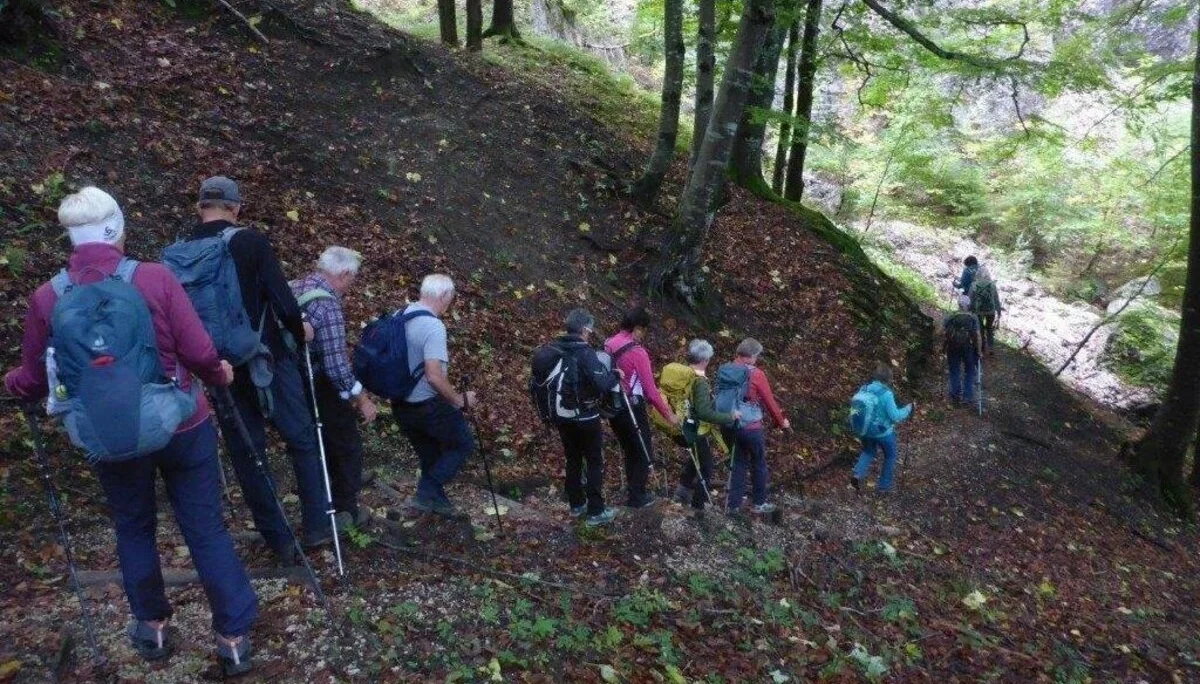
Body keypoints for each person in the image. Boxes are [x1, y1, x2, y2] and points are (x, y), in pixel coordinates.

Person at [4, 187, 257, 675]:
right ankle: (232, 636)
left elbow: (33, 380)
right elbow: (200, 351)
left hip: (109, 431)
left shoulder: (48, 296)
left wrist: (12, 384)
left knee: (133, 526)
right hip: (183, 423)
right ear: (117, 228)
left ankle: (153, 627)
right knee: (204, 526)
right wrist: (220, 373)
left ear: (71, 240)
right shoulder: (155, 278)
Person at [185, 176, 333, 560]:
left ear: (200, 206)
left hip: (218, 367)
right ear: (236, 208)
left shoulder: (182, 250)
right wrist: (302, 331)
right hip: (267, 359)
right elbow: (284, 302)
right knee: (302, 437)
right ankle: (317, 525)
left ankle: (280, 540)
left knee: (249, 452)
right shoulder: (250, 241)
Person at [291, 246, 378, 532]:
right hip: (319, 386)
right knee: (343, 444)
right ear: (344, 274)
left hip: (290, 383)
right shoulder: (327, 305)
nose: (351, 286)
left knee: (313, 447)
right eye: (352, 279)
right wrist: (361, 398)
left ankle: (317, 505)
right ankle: (345, 511)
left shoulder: (293, 286)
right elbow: (336, 366)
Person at [391, 274, 476, 518]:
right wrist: (459, 400)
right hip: (427, 405)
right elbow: (434, 376)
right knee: (463, 444)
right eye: (451, 297)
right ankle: (426, 491)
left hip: (400, 403)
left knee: (430, 452)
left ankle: (436, 503)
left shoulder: (400, 315)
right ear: (444, 296)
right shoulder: (433, 326)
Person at [546, 309, 623, 526]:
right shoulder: (585, 352)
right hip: (585, 415)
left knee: (573, 458)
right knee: (594, 460)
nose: (591, 333)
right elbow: (601, 383)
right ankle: (596, 511)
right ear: (585, 329)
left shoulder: (556, 348)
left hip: (561, 414)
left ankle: (576, 504)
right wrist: (615, 375)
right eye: (590, 329)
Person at [604, 307, 678, 508]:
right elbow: (651, 391)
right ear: (637, 328)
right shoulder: (637, 352)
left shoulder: (608, 344)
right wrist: (668, 414)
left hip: (613, 405)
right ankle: (638, 496)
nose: (643, 335)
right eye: (643, 330)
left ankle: (633, 493)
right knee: (644, 452)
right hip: (632, 406)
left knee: (630, 450)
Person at [721, 339, 790, 515]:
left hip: (727, 424)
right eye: (757, 356)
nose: (757, 359)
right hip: (750, 427)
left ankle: (733, 505)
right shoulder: (757, 374)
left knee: (737, 463)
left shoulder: (724, 370)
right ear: (751, 356)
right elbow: (770, 402)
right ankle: (759, 503)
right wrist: (782, 422)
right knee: (758, 463)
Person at [675, 340, 739, 515]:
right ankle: (698, 506)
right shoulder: (700, 381)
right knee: (707, 466)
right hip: (696, 428)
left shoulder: (684, 373)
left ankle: (682, 494)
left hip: (683, 424)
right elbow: (704, 412)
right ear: (705, 359)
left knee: (694, 459)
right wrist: (728, 416)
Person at [850, 363, 913, 495]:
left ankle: (857, 475)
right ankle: (883, 487)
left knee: (868, 451)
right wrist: (908, 408)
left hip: (865, 431)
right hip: (883, 433)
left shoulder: (864, 388)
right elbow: (895, 416)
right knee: (890, 456)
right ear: (888, 379)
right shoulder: (887, 394)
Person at [944, 295, 982, 407]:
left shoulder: (952, 315)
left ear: (958, 304)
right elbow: (978, 336)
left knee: (954, 370)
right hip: (968, 348)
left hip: (953, 347)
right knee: (969, 370)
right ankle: (967, 396)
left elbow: (941, 331)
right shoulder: (973, 317)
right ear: (968, 305)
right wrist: (979, 351)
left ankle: (955, 395)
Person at [968, 265, 1002, 354]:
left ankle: (981, 347)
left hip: (978, 310)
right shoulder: (992, 285)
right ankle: (991, 348)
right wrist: (999, 311)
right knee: (989, 328)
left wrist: (969, 310)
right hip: (991, 310)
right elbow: (996, 299)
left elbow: (970, 299)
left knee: (980, 329)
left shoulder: (974, 285)